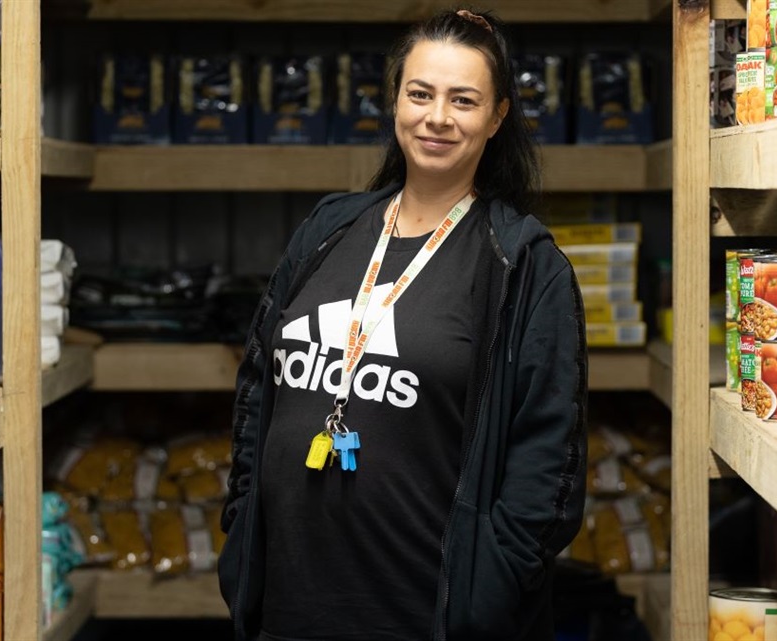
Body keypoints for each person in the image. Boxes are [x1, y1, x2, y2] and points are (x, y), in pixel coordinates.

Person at [219, 9, 587, 641]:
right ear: (395, 100)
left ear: (497, 116)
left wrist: (487, 591)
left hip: (425, 614)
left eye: (463, 100)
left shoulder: (524, 265)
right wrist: (241, 521)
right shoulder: (328, 231)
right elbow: (257, 387)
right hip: (287, 607)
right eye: (421, 93)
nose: (437, 116)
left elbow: (549, 464)